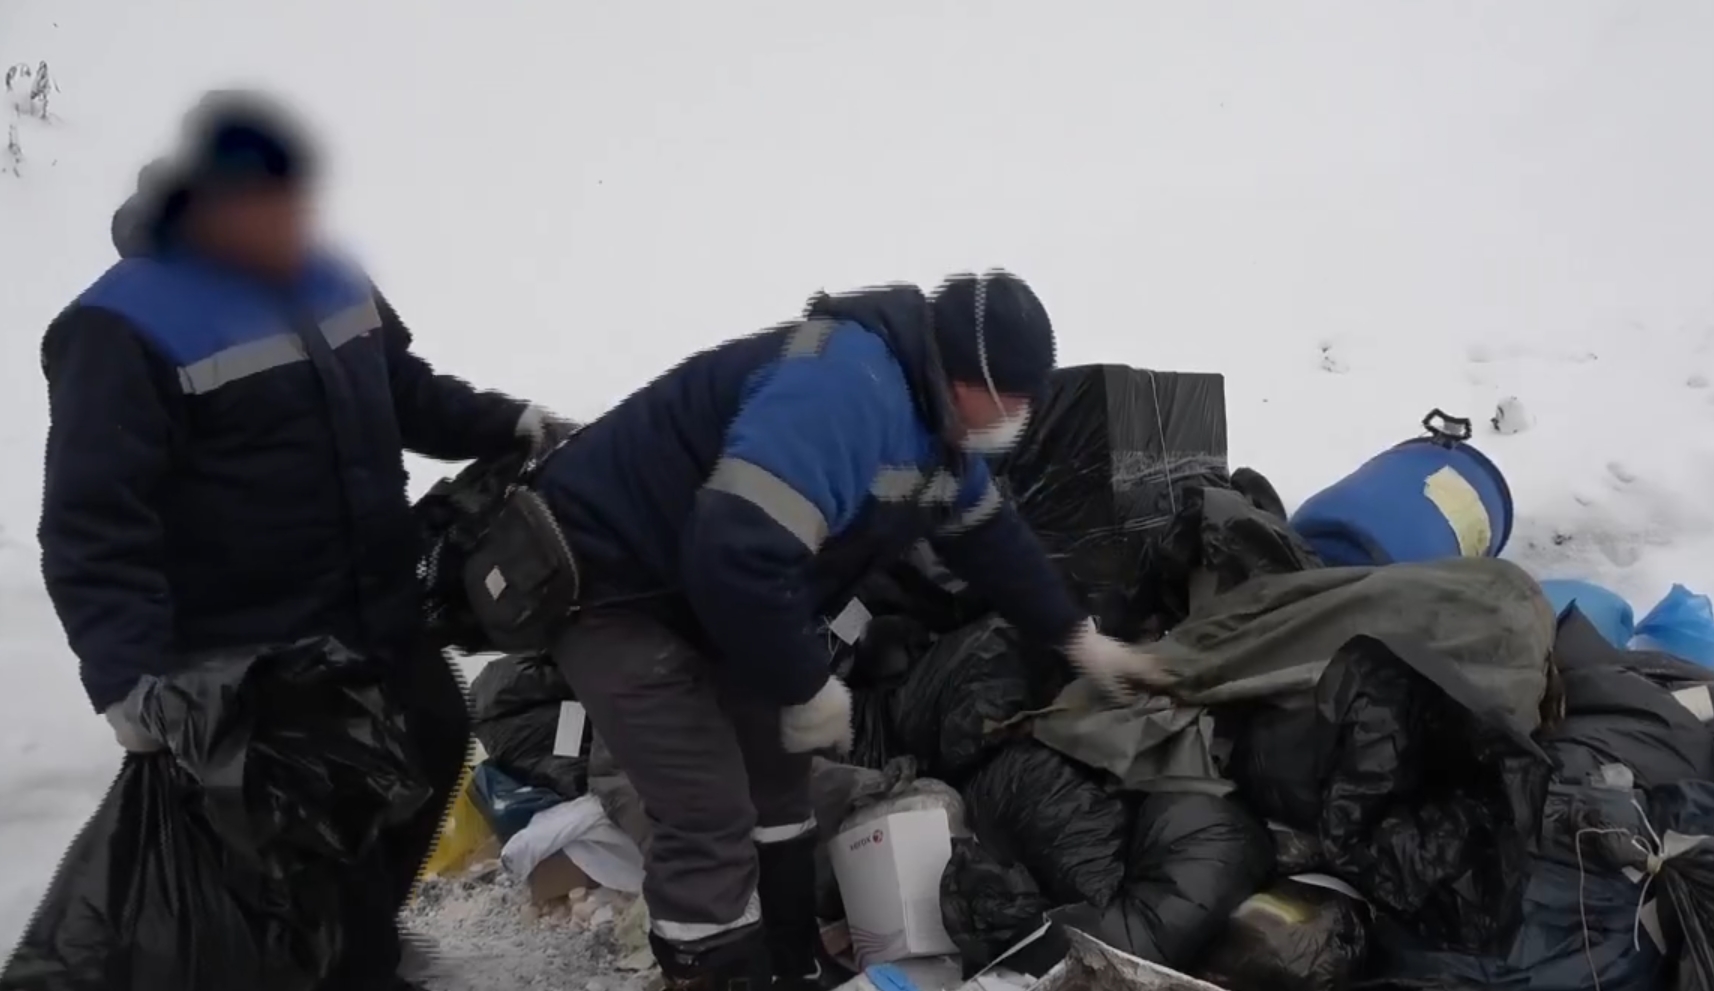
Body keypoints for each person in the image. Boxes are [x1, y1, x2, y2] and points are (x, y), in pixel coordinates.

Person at [37, 90, 567, 991]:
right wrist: (127, 682)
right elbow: (92, 523)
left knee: (435, 745)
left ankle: (358, 949)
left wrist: (507, 420)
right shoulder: (121, 324)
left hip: (377, 609)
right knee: (313, 844)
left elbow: (404, 388)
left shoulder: (326, 274)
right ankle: (342, 965)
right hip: (255, 654)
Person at [534, 271, 1168, 990]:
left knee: (781, 777)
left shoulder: (936, 438)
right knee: (707, 813)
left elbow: (993, 540)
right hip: (615, 585)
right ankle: (712, 973)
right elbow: (733, 548)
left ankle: (793, 962)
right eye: (1013, 399)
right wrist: (806, 681)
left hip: (714, 599)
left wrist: (1079, 638)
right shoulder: (846, 389)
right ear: (968, 375)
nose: (1018, 417)